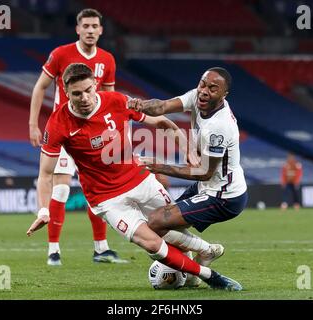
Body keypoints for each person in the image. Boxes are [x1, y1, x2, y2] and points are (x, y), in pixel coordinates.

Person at [26, 63, 242, 291]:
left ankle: (194, 267)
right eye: (77, 93)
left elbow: (161, 121)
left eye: (88, 90)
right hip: (105, 198)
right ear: (66, 92)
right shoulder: (58, 123)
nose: (84, 97)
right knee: (150, 242)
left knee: (170, 228)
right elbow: (46, 173)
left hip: (140, 179)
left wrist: (188, 150)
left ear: (95, 85)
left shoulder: (116, 101)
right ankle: (210, 274)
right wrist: (43, 210)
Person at [128, 67, 248, 285]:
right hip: (210, 187)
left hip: (223, 196)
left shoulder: (219, 126)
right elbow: (162, 106)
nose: (204, 91)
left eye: (213, 88)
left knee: (155, 222)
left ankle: (207, 251)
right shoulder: (197, 96)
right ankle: (194, 275)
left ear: (224, 95)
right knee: (169, 224)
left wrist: (158, 166)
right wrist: (139, 105)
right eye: (203, 84)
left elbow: (204, 172)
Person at [29, 8, 122, 265]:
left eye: (95, 26)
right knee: (60, 189)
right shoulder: (61, 54)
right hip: (65, 130)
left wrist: (112, 132)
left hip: (93, 134)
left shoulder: (108, 59)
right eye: (86, 26)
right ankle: (53, 250)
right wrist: (33, 124)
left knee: (97, 188)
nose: (91, 30)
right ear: (78, 29)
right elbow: (40, 87)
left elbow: (110, 100)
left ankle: (101, 249)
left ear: (101, 30)